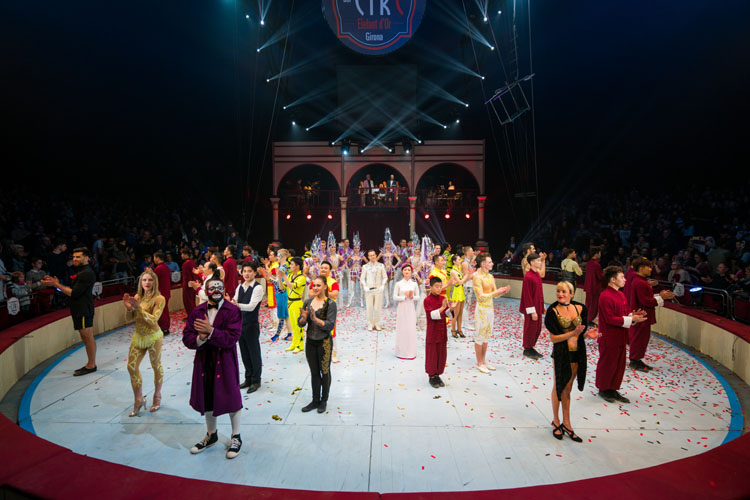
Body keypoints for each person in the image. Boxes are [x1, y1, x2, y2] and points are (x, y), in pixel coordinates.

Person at [183, 274, 244, 459]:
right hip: (204, 360)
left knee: (231, 396)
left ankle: (236, 436)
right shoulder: (197, 311)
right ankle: (211, 434)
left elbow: (232, 337)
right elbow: (187, 337)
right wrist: (200, 338)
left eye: (220, 288)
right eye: (212, 288)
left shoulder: (233, 311)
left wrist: (211, 331)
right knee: (207, 394)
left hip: (225, 359)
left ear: (224, 290)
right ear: (205, 291)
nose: (216, 291)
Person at [544, 281, 598, 442]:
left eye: (564, 291)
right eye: (558, 291)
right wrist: (572, 333)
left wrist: (588, 335)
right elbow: (554, 338)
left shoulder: (580, 308)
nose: (560, 294)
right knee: (559, 386)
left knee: (568, 388)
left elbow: (580, 335)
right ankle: (556, 421)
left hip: (577, 354)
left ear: (572, 294)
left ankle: (567, 423)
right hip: (561, 354)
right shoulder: (553, 311)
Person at [596, 266, 648, 403]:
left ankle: (613, 389)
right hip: (609, 337)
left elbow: (624, 315)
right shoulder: (605, 296)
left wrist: (634, 316)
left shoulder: (621, 294)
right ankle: (604, 389)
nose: (625, 279)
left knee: (618, 365)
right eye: (622, 277)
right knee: (608, 364)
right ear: (612, 280)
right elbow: (609, 319)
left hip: (620, 336)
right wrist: (631, 319)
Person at [42, 247, 97, 376]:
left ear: (86, 258)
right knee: (86, 337)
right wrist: (57, 284)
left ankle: (91, 365)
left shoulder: (86, 273)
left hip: (83, 309)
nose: (75, 259)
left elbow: (73, 293)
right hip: (80, 308)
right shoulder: (82, 271)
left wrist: (56, 285)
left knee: (87, 337)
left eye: (78, 257)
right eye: (74, 257)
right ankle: (91, 364)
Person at [122, 270, 166, 416]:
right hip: (139, 336)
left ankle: (157, 396)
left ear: (155, 282)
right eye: (144, 280)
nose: (147, 283)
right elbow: (129, 319)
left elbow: (153, 320)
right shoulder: (137, 297)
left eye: (150, 280)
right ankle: (138, 399)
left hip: (153, 337)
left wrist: (139, 308)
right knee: (131, 367)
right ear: (140, 282)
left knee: (156, 365)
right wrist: (129, 308)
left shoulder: (159, 299)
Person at [298, 276, 337, 413]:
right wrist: (303, 318)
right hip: (310, 342)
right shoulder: (308, 302)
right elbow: (300, 323)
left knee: (324, 371)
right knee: (314, 372)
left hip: (324, 342)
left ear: (325, 287)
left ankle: (323, 400)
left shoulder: (330, 304)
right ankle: (315, 400)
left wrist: (315, 319)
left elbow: (330, 325)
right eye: (314, 285)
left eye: (318, 285)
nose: (315, 288)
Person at [627, 258, 675, 372]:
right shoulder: (640, 282)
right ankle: (634, 360)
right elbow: (646, 301)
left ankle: (637, 359)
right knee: (639, 338)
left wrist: (659, 295)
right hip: (641, 314)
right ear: (641, 268)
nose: (650, 269)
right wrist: (661, 297)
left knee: (641, 338)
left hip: (642, 314)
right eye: (648, 267)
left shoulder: (640, 281)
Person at [472, 253, 511, 373]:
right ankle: (479, 362)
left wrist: (502, 292)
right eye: (490, 262)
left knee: (486, 336)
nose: (492, 264)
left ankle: (483, 361)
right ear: (483, 264)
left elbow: (495, 295)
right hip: (481, 310)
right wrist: (496, 292)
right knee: (480, 335)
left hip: (490, 309)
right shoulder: (477, 278)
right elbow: (480, 296)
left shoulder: (491, 276)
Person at [230, 262, 264, 394]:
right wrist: (231, 303)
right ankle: (248, 378)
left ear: (255, 273)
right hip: (240, 324)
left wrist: (236, 304)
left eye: (249, 271)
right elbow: (234, 301)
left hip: (251, 325)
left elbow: (251, 306)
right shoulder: (240, 286)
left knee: (253, 353)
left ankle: (256, 380)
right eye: (244, 271)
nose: (246, 274)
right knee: (244, 352)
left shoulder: (258, 288)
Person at [424, 276, 449, 388]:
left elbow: (447, 314)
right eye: (436, 286)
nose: (439, 288)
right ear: (431, 287)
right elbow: (431, 315)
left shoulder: (443, 298)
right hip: (433, 331)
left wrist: (451, 309)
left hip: (442, 331)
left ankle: (437, 374)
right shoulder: (427, 300)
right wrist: (442, 308)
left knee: (441, 353)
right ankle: (431, 376)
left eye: (440, 286)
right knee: (432, 354)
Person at [278, 257, 307, 352]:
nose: (290, 266)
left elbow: (291, 286)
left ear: (297, 266)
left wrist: (284, 276)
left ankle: (300, 345)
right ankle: (294, 343)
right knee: (293, 325)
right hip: (290, 302)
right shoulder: (290, 276)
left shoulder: (302, 278)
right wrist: (279, 277)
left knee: (299, 325)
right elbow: (281, 288)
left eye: (292, 264)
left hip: (297, 303)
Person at [520, 252, 545, 359]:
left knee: (537, 328)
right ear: (532, 262)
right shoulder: (528, 277)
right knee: (530, 328)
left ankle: (531, 347)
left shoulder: (537, 275)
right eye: (538, 261)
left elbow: (539, 292)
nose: (540, 262)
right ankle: (527, 348)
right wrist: (532, 311)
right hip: (532, 309)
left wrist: (542, 305)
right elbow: (527, 296)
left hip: (538, 306)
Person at [315, 261, 340, 361]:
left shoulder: (333, 282)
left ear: (329, 270)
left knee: (331, 331)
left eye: (326, 268)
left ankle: (333, 353)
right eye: (322, 268)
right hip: (317, 308)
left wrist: (323, 291)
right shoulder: (315, 281)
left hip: (329, 309)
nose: (323, 270)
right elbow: (310, 294)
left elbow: (334, 295)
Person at [393, 264, 420, 359]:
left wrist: (412, 297)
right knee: (402, 328)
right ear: (402, 271)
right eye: (405, 270)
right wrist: (404, 297)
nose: (407, 271)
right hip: (402, 307)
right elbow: (394, 297)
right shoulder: (398, 284)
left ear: (411, 272)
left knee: (410, 328)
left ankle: (411, 352)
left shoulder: (414, 284)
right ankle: (401, 352)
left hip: (410, 307)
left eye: (409, 270)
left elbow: (418, 296)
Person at [362, 249, 387, 330]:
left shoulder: (381, 265)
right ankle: (370, 323)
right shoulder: (365, 267)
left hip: (378, 289)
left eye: (373, 255)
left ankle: (377, 323)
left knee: (377, 308)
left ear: (376, 255)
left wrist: (382, 285)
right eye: (370, 255)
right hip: (369, 289)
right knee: (369, 307)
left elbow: (385, 277)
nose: (372, 257)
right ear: (368, 257)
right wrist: (365, 286)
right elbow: (362, 278)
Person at [448, 254, 472, 338]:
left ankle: (459, 329)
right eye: (458, 260)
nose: (460, 261)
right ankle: (453, 329)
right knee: (455, 313)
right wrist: (467, 275)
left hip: (461, 291)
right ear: (454, 261)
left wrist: (468, 274)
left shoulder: (459, 270)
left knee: (460, 313)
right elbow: (459, 282)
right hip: (456, 292)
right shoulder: (453, 271)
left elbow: (465, 279)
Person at [152, 251, 172, 335]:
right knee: (164, 311)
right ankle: (165, 328)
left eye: (154, 257)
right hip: (166, 292)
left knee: (161, 312)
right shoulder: (166, 267)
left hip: (160, 293)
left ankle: (164, 328)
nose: (153, 259)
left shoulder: (158, 268)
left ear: (157, 258)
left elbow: (153, 281)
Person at [583, 247, 603, 323]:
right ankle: (590, 319)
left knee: (588, 303)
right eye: (599, 253)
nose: (600, 255)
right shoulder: (596, 264)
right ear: (596, 254)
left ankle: (586, 318)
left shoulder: (589, 263)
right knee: (593, 305)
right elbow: (600, 277)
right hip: (594, 287)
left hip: (588, 287)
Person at [181, 248, 198, 317]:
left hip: (188, 285)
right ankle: (193, 315)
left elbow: (186, 277)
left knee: (188, 301)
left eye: (182, 254)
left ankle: (191, 316)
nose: (181, 255)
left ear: (185, 255)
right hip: (192, 284)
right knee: (192, 300)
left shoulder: (186, 264)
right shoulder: (192, 262)